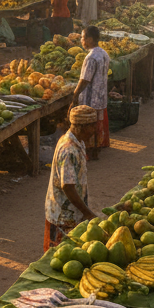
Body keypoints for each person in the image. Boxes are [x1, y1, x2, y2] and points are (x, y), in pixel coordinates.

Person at [43, 105, 98, 250]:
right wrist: (88, 213)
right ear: (81, 127)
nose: (94, 131)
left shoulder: (78, 142)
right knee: (58, 257)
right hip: (63, 216)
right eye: (92, 126)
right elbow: (67, 186)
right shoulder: (68, 149)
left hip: (73, 213)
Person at [71, 26, 110, 159]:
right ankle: (97, 148)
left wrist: (75, 95)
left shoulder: (91, 57)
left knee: (89, 124)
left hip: (91, 97)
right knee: (97, 122)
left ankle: (90, 150)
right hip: (101, 96)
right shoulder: (104, 53)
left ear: (89, 39)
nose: (81, 41)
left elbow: (85, 80)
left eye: (82, 38)